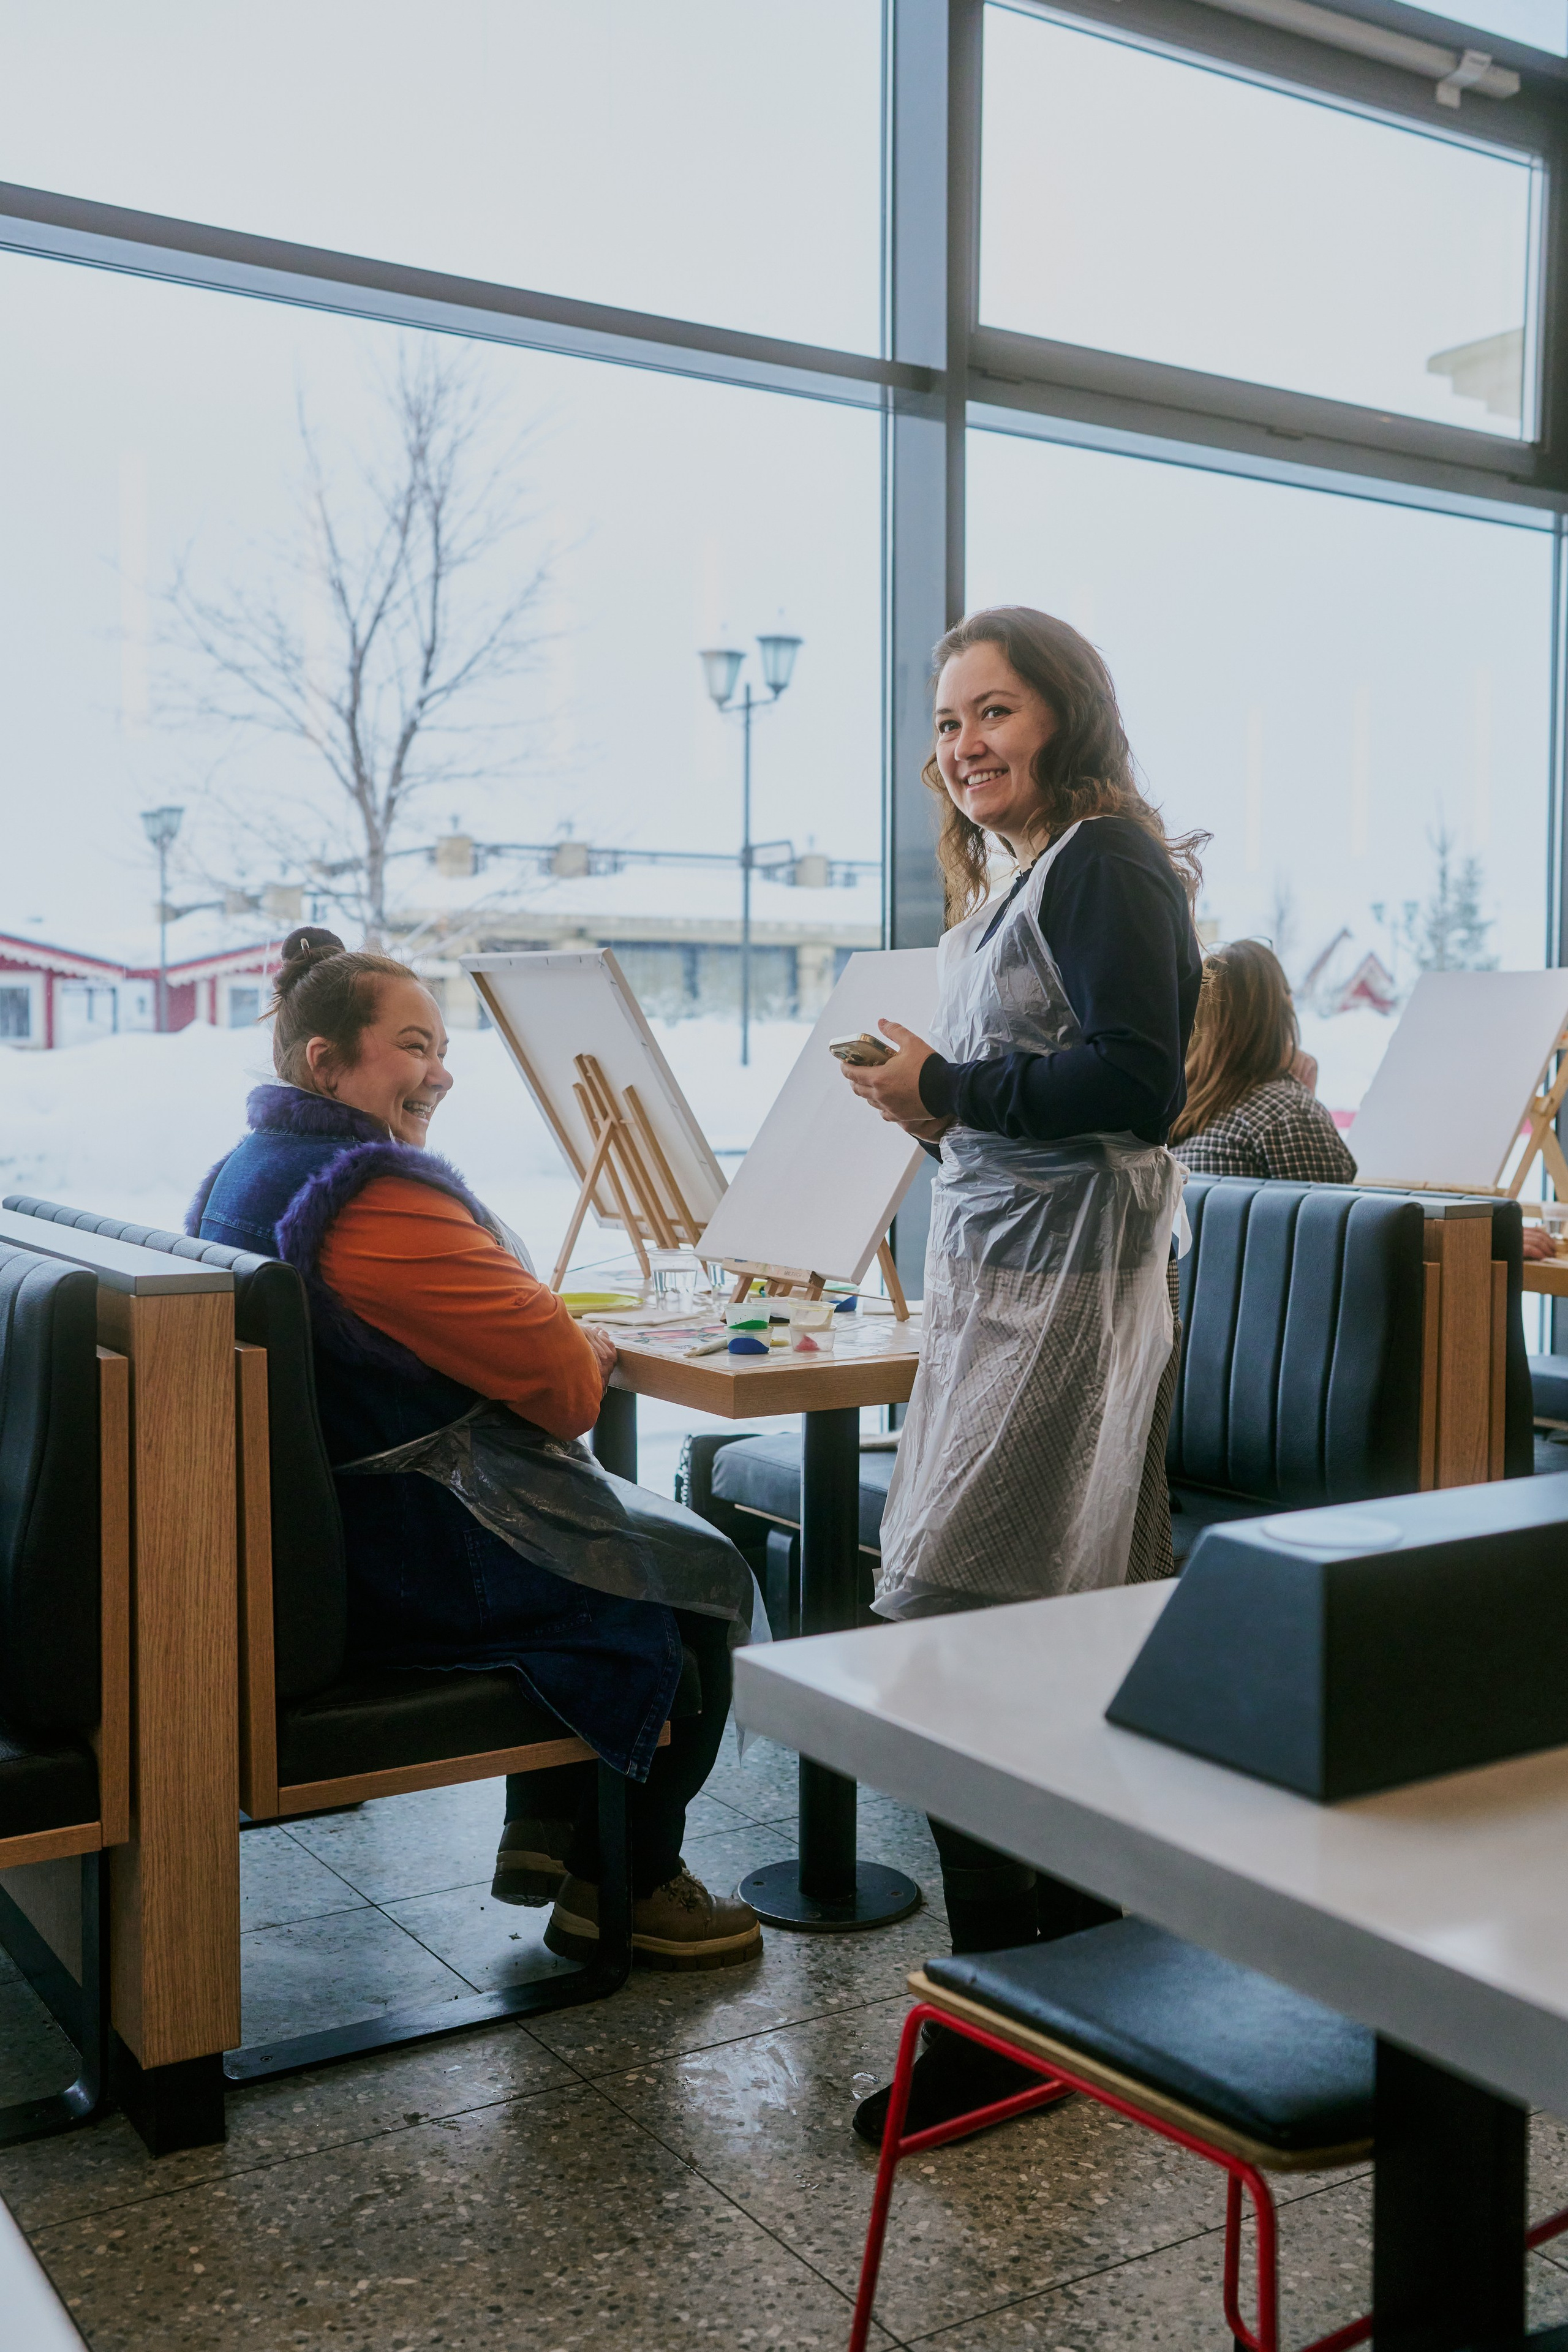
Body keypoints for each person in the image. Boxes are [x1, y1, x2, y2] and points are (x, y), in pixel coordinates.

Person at [189, 929, 763, 1973]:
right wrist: (567, 1339)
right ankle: (623, 1884)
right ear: (330, 1063)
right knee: (692, 1581)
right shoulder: (374, 1198)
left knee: (621, 1545)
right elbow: (568, 1389)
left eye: (443, 1046)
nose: (441, 1071)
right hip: (401, 1553)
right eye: (413, 1045)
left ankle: (547, 1829)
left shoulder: (248, 1168)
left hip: (316, 1540)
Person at [839, 606, 1205, 2144]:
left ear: (1062, 716)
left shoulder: (1107, 858)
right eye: (945, 723)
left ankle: (1010, 2021)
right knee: (1016, 1638)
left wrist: (949, 1085)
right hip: (1009, 1279)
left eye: (991, 712)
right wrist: (936, 1117)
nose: (962, 745)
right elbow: (1054, 1091)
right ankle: (1052, 1992)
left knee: (945, 1627)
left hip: (1062, 1298)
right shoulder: (1027, 876)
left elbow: (1133, 1081)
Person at [1170, 938, 1356, 1184]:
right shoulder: (1291, 1115)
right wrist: (1301, 1101)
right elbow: (1332, 1219)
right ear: (1284, 1011)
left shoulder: (1177, 1112)